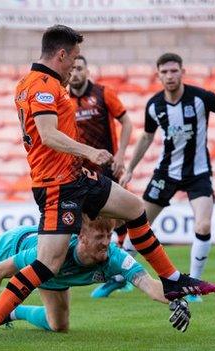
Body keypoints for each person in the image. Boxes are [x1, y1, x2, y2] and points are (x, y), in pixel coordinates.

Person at [0, 25, 215, 351]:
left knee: (134, 207)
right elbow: (47, 134)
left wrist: (82, 161)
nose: (75, 64)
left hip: (76, 177)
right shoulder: (41, 86)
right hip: (57, 185)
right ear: (61, 54)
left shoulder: (40, 84)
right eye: (73, 58)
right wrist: (89, 151)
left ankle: (171, 281)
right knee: (47, 265)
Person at [119, 53, 215, 302]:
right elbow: (146, 137)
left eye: (174, 71)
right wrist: (130, 168)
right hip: (166, 173)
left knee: (203, 225)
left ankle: (193, 286)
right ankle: (119, 278)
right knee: (137, 226)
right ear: (158, 75)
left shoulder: (201, 97)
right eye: (164, 72)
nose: (170, 76)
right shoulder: (154, 105)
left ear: (182, 72)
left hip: (198, 173)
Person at [0, 217, 190, 333]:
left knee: (59, 326)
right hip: (16, 248)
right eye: (100, 236)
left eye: (109, 235)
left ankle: (11, 315)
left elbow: (150, 285)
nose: (107, 242)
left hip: (54, 276)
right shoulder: (53, 251)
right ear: (81, 236)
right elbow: (0, 273)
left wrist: (177, 298)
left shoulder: (113, 257)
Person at [68, 55, 136, 297]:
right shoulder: (63, 98)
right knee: (87, 223)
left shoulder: (103, 93)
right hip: (79, 173)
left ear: (87, 70)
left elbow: (127, 123)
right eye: (72, 68)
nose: (75, 72)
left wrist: (120, 155)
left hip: (106, 169)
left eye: (79, 68)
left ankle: (121, 274)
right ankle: (109, 273)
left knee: (120, 220)